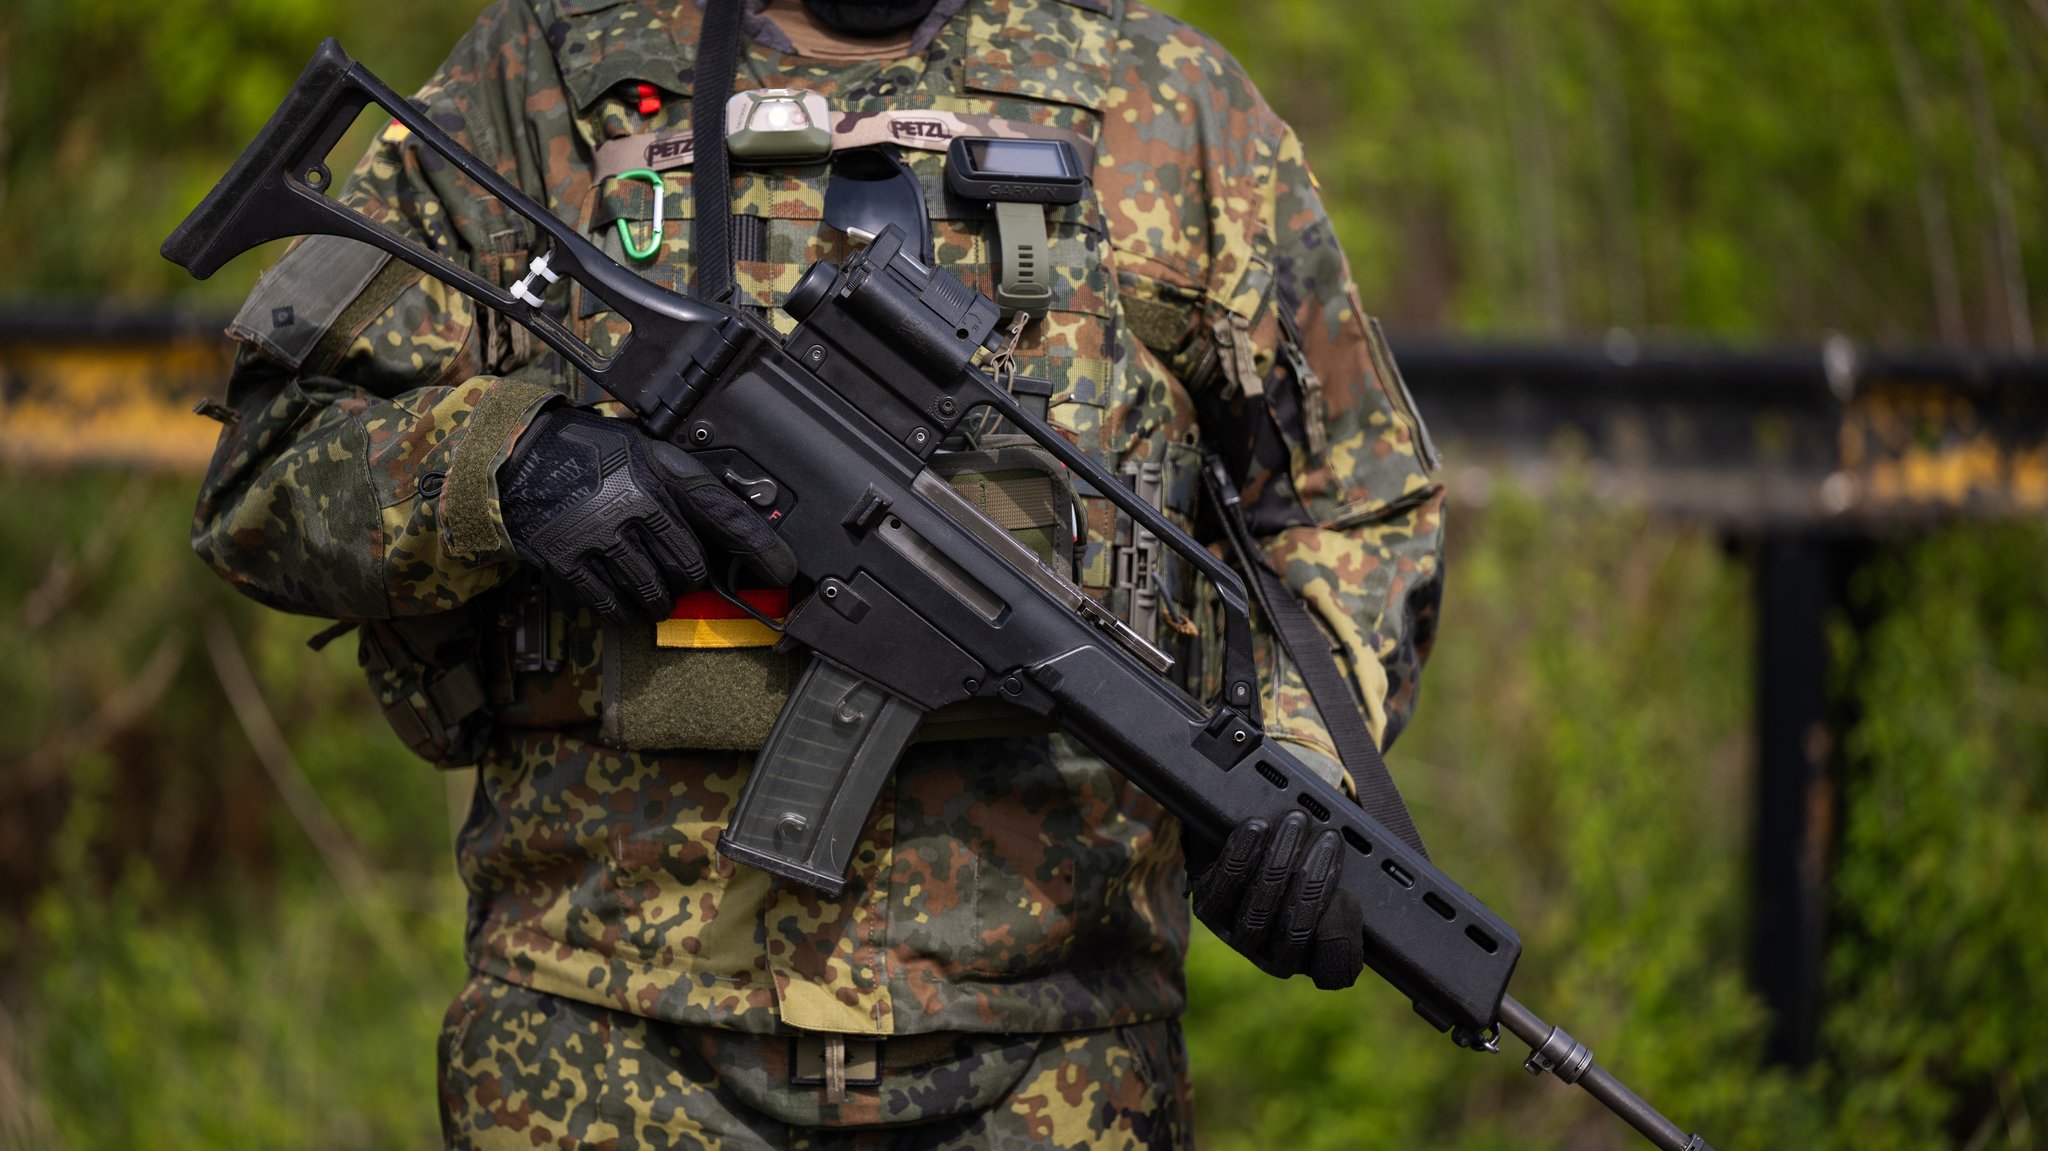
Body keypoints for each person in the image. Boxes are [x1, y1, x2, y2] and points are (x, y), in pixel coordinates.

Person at [190, 0, 1445, 1146]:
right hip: (603, 1044)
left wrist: (1298, 778)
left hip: (1056, 1060)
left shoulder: (1163, 100)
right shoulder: (545, 80)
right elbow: (268, 469)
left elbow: (1358, 499)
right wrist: (508, 467)